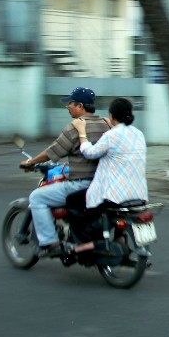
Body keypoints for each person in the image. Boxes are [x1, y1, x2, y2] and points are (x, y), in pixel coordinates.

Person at [20, 87, 110, 257]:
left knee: (37, 197)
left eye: (70, 103)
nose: (68, 106)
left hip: (81, 185)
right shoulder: (105, 124)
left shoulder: (75, 127)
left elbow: (52, 151)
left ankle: (49, 242)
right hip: (103, 184)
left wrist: (31, 162)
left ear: (80, 105)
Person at [71, 98, 148, 210]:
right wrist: (114, 127)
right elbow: (122, 142)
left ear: (111, 116)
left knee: (72, 200)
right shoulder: (139, 134)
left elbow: (90, 153)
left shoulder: (111, 135)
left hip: (115, 195)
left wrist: (82, 131)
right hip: (139, 193)